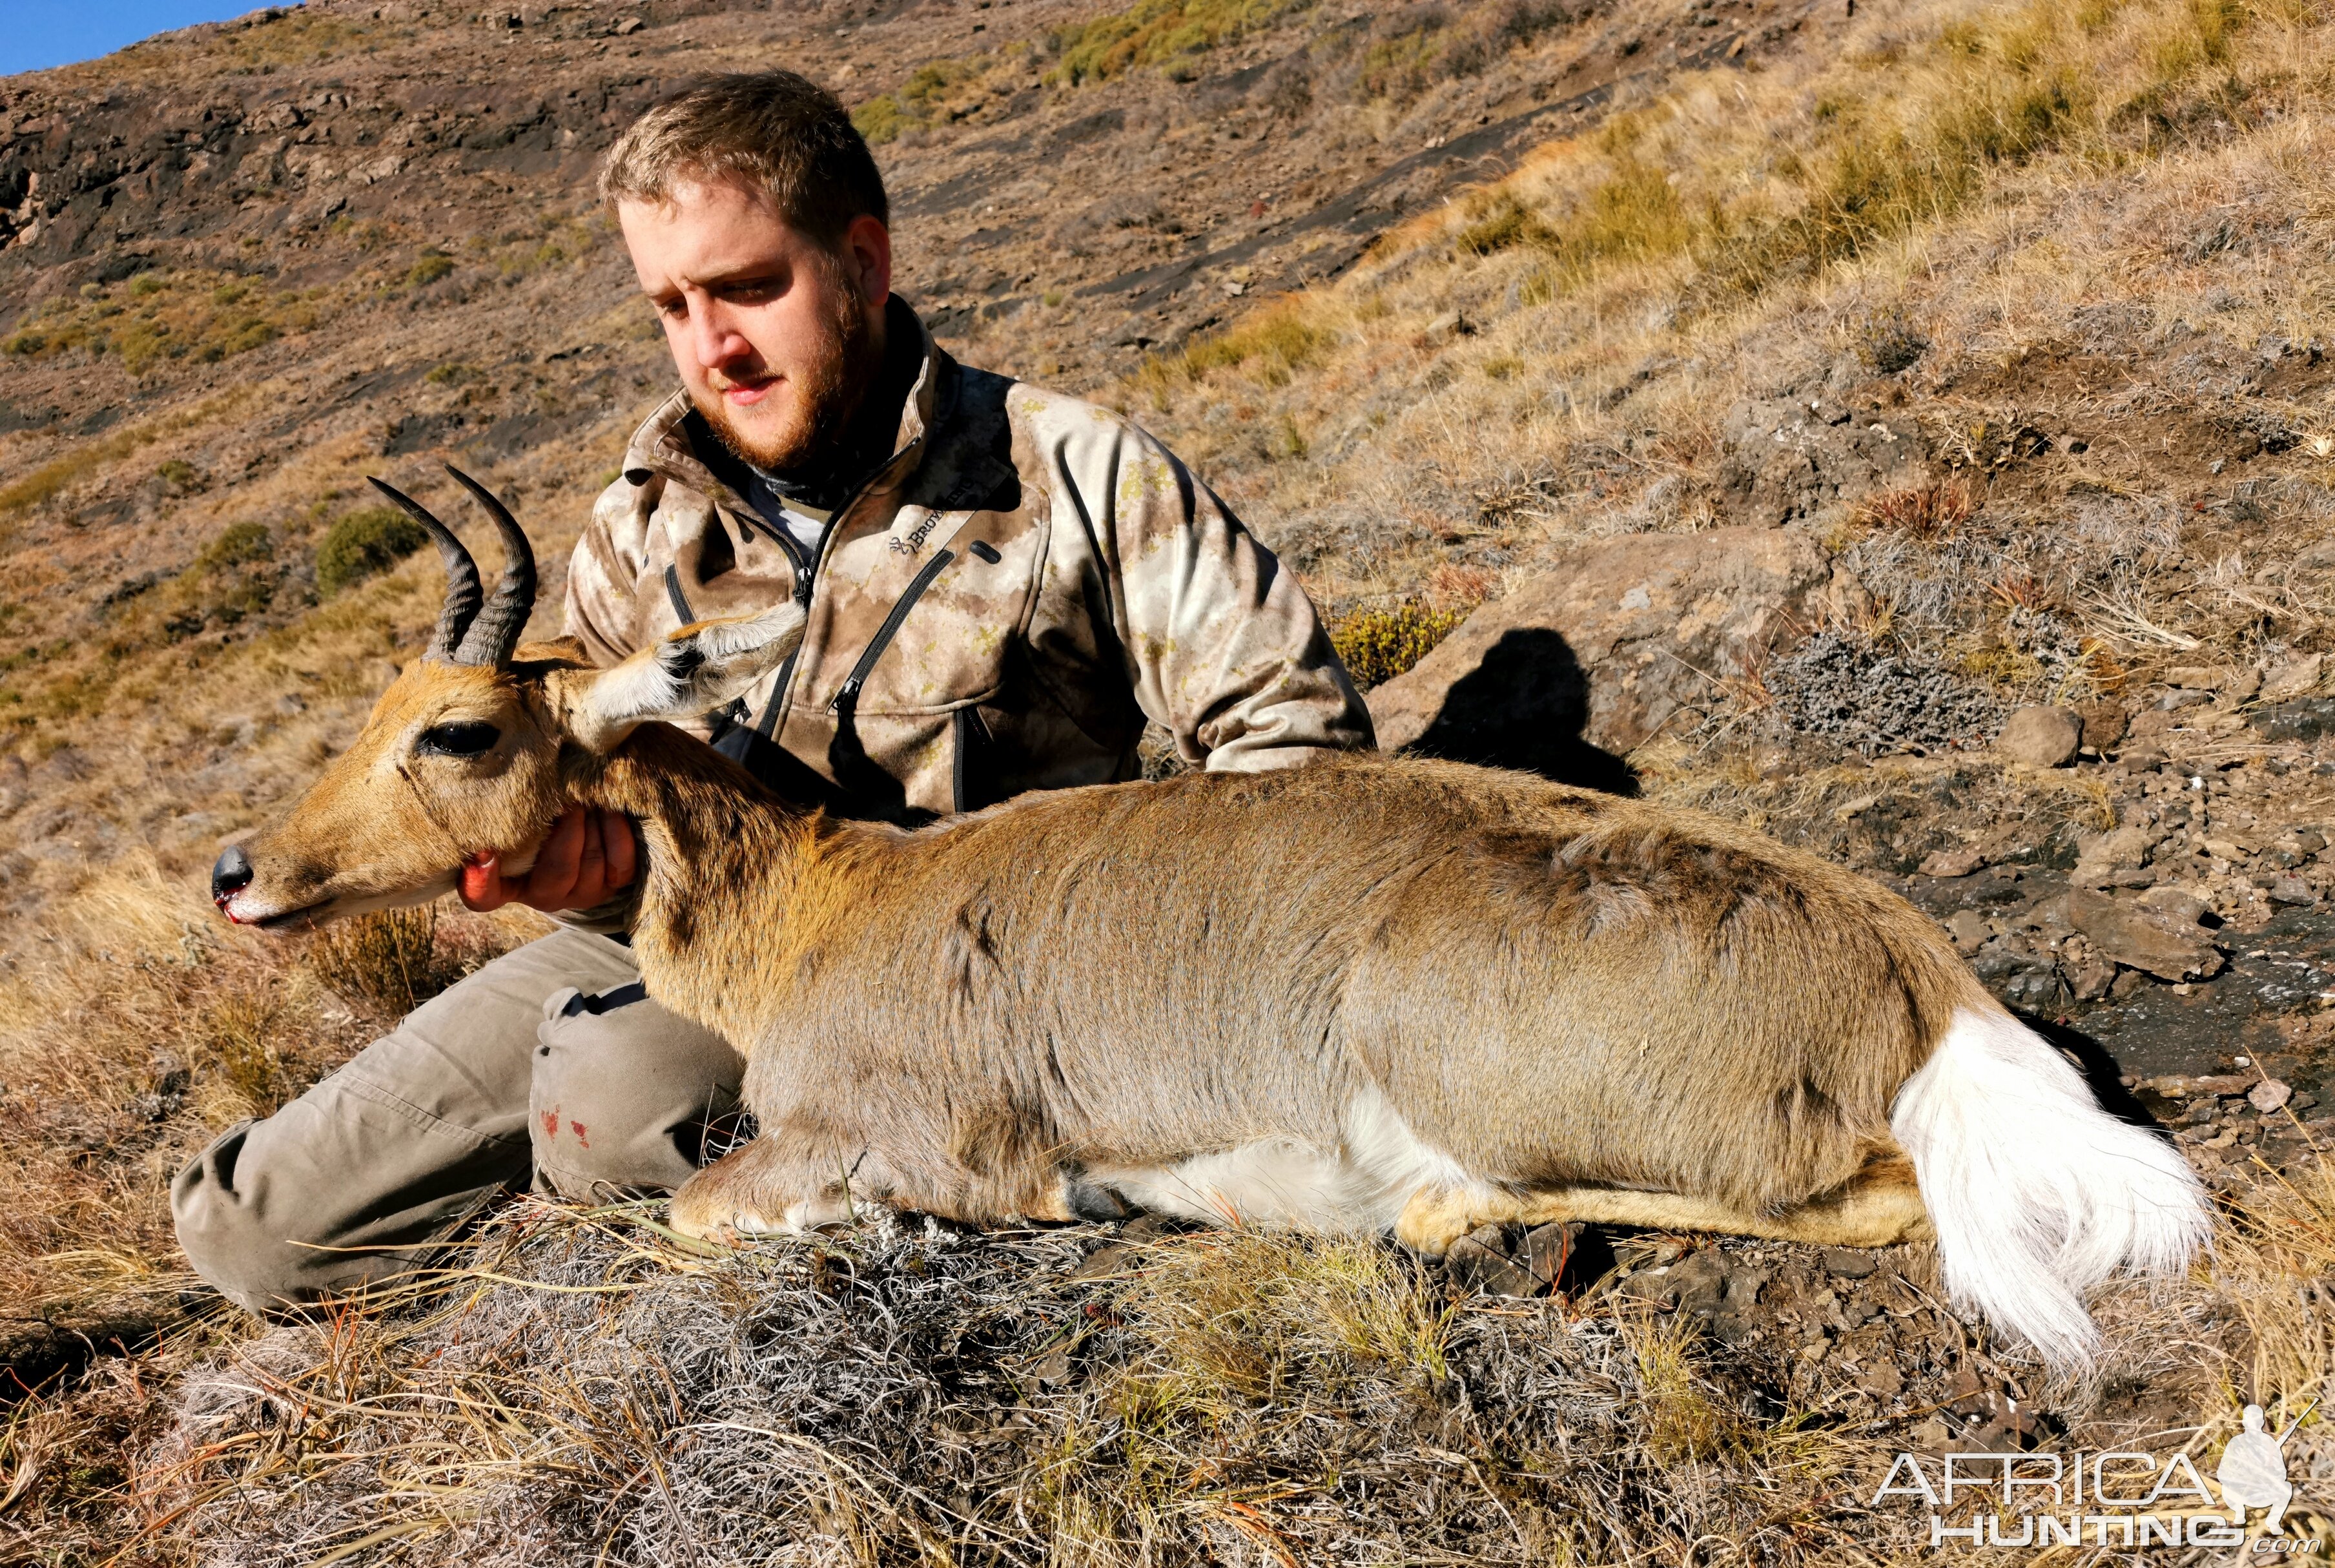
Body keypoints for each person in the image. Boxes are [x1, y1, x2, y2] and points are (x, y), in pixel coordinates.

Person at [172, 71, 1374, 1313]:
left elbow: (1307, 762)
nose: (713, 347)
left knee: (610, 1094)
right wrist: (568, 872)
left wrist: (1125, 990)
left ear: (862, 260)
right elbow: (545, 765)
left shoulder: (1074, 473)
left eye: (749, 287)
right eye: (672, 306)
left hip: (960, 978)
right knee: (254, 1235)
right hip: (679, 935)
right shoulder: (646, 515)